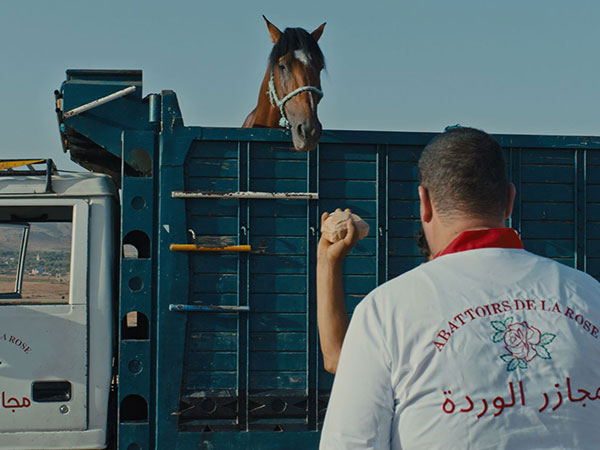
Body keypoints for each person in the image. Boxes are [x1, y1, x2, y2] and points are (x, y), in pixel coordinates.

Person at [318, 127, 600, 449]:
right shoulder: (590, 295)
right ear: (509, 200)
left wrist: (326, 263)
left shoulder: (387, 308)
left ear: (424, 203)